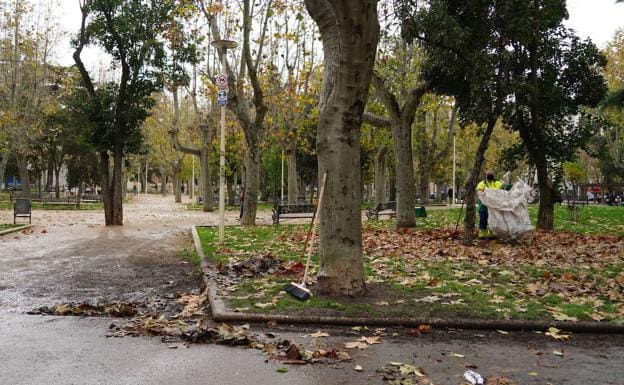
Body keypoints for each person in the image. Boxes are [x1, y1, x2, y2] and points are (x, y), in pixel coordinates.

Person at [476, 170, 503, 239]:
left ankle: (490, 234)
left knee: (492, 220)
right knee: (483, 220)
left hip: (493, 207)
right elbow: (479, 193)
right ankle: (482, 234)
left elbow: (502, 189)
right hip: (484, 206)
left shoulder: (497, 183)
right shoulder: (482, 184)